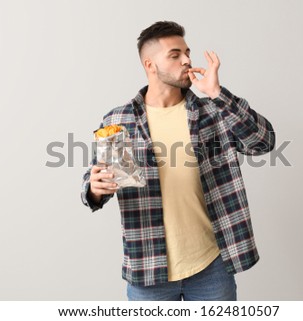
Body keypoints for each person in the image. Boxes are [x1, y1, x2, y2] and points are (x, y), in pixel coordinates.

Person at [81, 21, 275, 301]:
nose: (187, 60)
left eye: (187, 52)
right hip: (148, 269)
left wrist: (218, 94)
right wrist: (95, 189)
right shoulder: (119, 120)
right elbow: (95, 179)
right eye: (175, 55)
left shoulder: (212, 110)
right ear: (150, 65)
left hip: (212, 266)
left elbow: (263, 142)